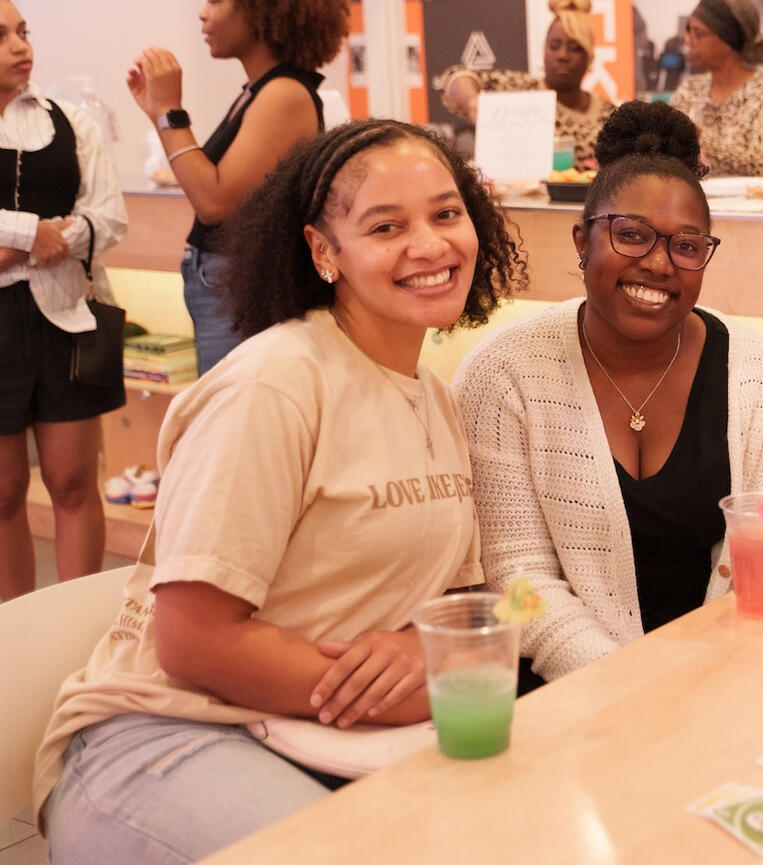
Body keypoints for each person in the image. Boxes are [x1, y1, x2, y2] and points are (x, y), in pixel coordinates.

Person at [34, 119, 528, 864]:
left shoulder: (433, 397)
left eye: (445, 213)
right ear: (324, 252)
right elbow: (193, 640)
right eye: (386, 226)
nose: (430, 245)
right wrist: (403, 690)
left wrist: (417, 647)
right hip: (170, 735)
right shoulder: (275, 384)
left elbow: (455, 599)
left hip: (325, 739)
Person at [454, 101, 763, 685]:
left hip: (732, 681)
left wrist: (707, 685)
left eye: (687, 245)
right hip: (565, 691)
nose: (659, 264)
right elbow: (515, 578)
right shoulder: (503, 377)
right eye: (631, 235)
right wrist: (627, 684)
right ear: (583, 240)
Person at [128, 0, 347, 375]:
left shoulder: (284, 94)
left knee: (234, 406)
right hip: (229, 283)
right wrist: (159, 111)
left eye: (216, 1)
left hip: (240, 286)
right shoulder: (261, 90)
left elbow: (214, 203)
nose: (203, 14)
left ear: (263, 9)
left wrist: (169, 111)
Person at [0, 0, 128, 600]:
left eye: (23, 32)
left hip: (67, 317)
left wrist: (23, 247)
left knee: (73, 484)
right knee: (3, 495)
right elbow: (61, 230)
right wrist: (34, 232)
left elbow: (109, 217)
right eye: (1, 35)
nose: (19, 45)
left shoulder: (70, 119)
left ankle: (76, 631)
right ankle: (16, 633)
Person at [437, 0, 614, 168]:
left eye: (575, 48)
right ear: (544, 50)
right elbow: (457, 77)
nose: (562, 55)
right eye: (554, 46)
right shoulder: (519, 90)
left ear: (589, 56)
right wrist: (472, 102)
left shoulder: (607, 114)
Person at [669, 0, 763, 176]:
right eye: (688, 31)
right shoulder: (690, 88)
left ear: (728, 40)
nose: (688, 40)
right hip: (692, 193)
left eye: (698, 33)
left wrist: (698, 135)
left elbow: (761, 165)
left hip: (748, 195)